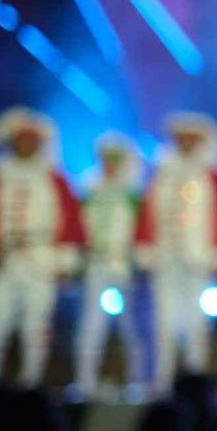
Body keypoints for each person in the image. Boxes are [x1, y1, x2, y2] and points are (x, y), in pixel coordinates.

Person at [0, 108, 83, 386]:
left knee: (36, 324)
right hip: (5, 259)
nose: (25, 145)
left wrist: (65, 263)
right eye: (20, 140)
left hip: (41, 258)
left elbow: (69, 220)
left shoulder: (54, 178)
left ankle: (31, 382)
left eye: (31, 140)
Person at [135, 113, 217, 394]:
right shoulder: (162, 173)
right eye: (181, 139)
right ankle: (161, 386)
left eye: (191, 140)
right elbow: (147, 214)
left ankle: (196, 387)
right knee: (163, 325)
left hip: (198, 258)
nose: (186, 145)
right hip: (166, 256)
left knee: (197, 326)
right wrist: (145, 247)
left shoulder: (210, 175)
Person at [74, 132, 144, 393]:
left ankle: (136, 381)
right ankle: (85, 382)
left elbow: (144, 228)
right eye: (106, 159)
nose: (110, 165)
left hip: (125, 266)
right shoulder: (89, 190)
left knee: (131, 327)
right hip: (96, 264)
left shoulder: (133, 193)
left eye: (115, 159)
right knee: (91, 325)